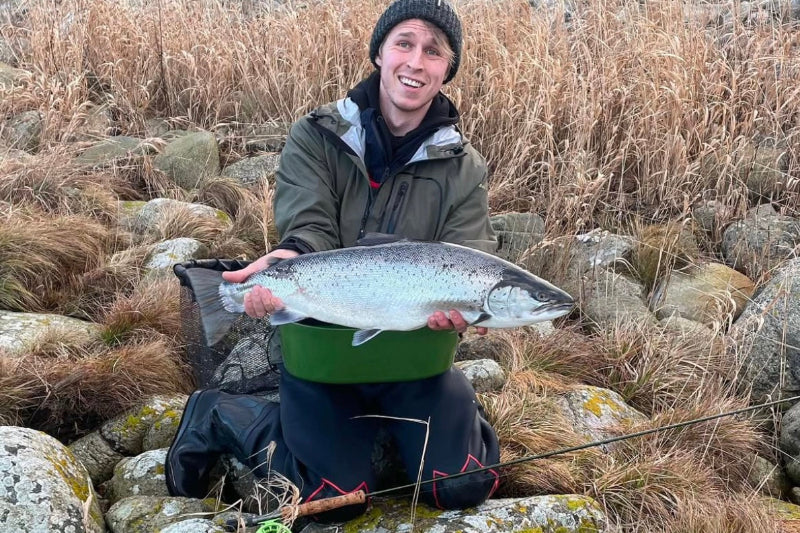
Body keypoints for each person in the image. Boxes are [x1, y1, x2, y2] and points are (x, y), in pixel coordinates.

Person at [166, 0, 500, 522]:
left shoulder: (464, 167)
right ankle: (223, 414)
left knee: (459, 486)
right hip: (322, 351)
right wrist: (289, 258)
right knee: (327, 500)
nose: (416, 61)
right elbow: (309, 227)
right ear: (379, 53)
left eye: (434, 52)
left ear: (446, 69)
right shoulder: (317, 135)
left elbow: (470, 256)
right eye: (404, 43)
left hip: (416, 356)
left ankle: (435, 423)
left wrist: (470, 312)